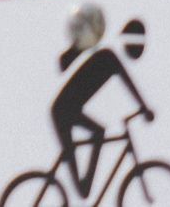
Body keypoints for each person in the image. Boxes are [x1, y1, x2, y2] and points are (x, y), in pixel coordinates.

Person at [52, 15, 152, 199]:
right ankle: (84, 186)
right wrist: (144, 108)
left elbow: (127, 82)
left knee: (98, 133)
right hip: (62, 110)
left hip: (69, 109)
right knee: (92, 137)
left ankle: (85, 185)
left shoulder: (108, 56)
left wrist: (144, 107)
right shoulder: (108, 56)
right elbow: (129, 83)